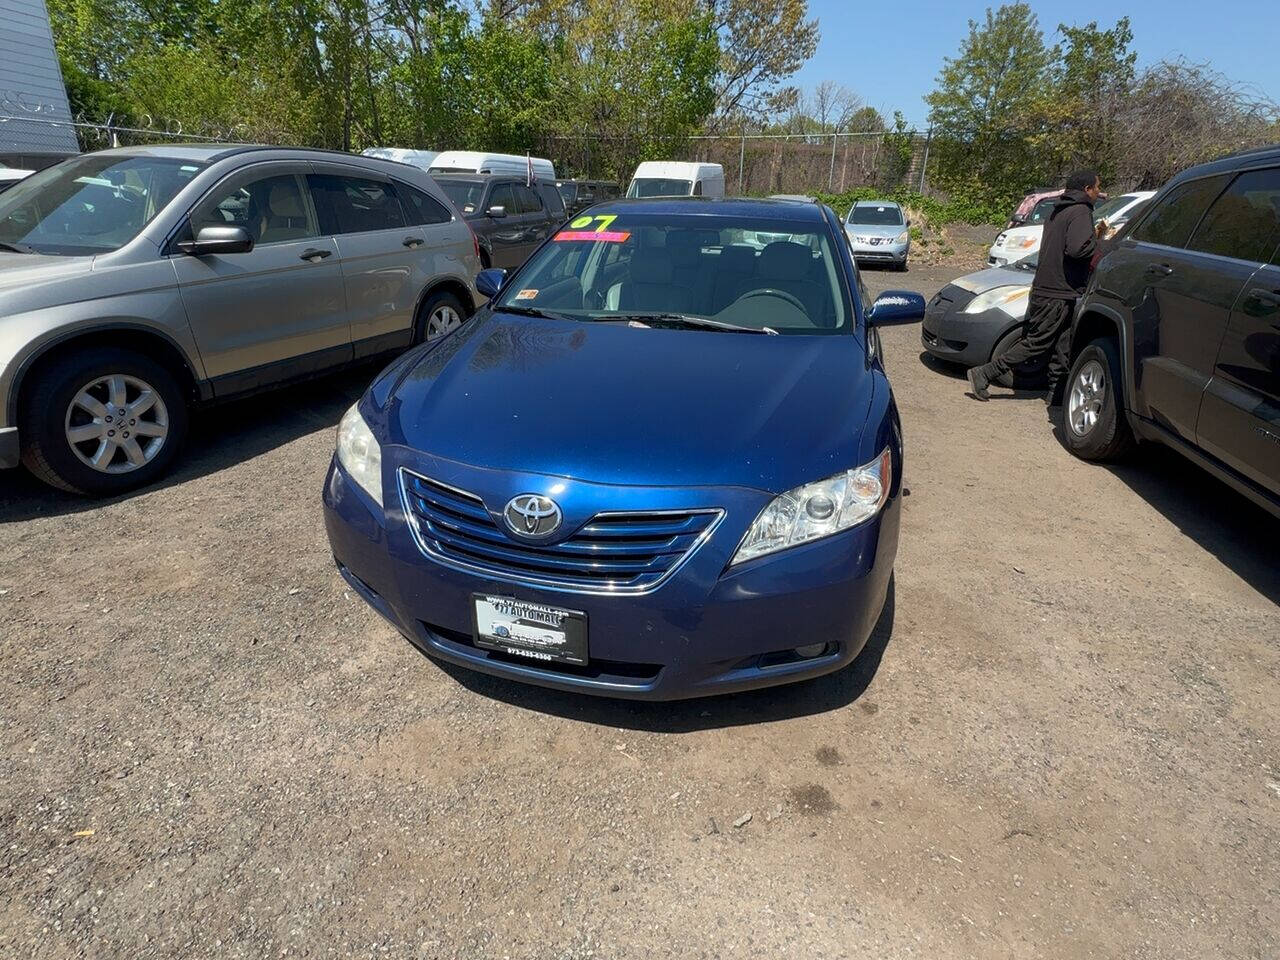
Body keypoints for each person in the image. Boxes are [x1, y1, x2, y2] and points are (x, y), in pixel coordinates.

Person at [966, 169, 1109, 403]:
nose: (1098, 193)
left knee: (1063, 344)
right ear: (1086, 190)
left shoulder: (1058, 209)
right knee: (1037, 342)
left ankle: (1056, 393)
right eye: (1097, 188)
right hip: (1058, 290)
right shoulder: (1080, 210)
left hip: (1055, 289)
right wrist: (1099, 244)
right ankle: (985, 373)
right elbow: (1076, 249)